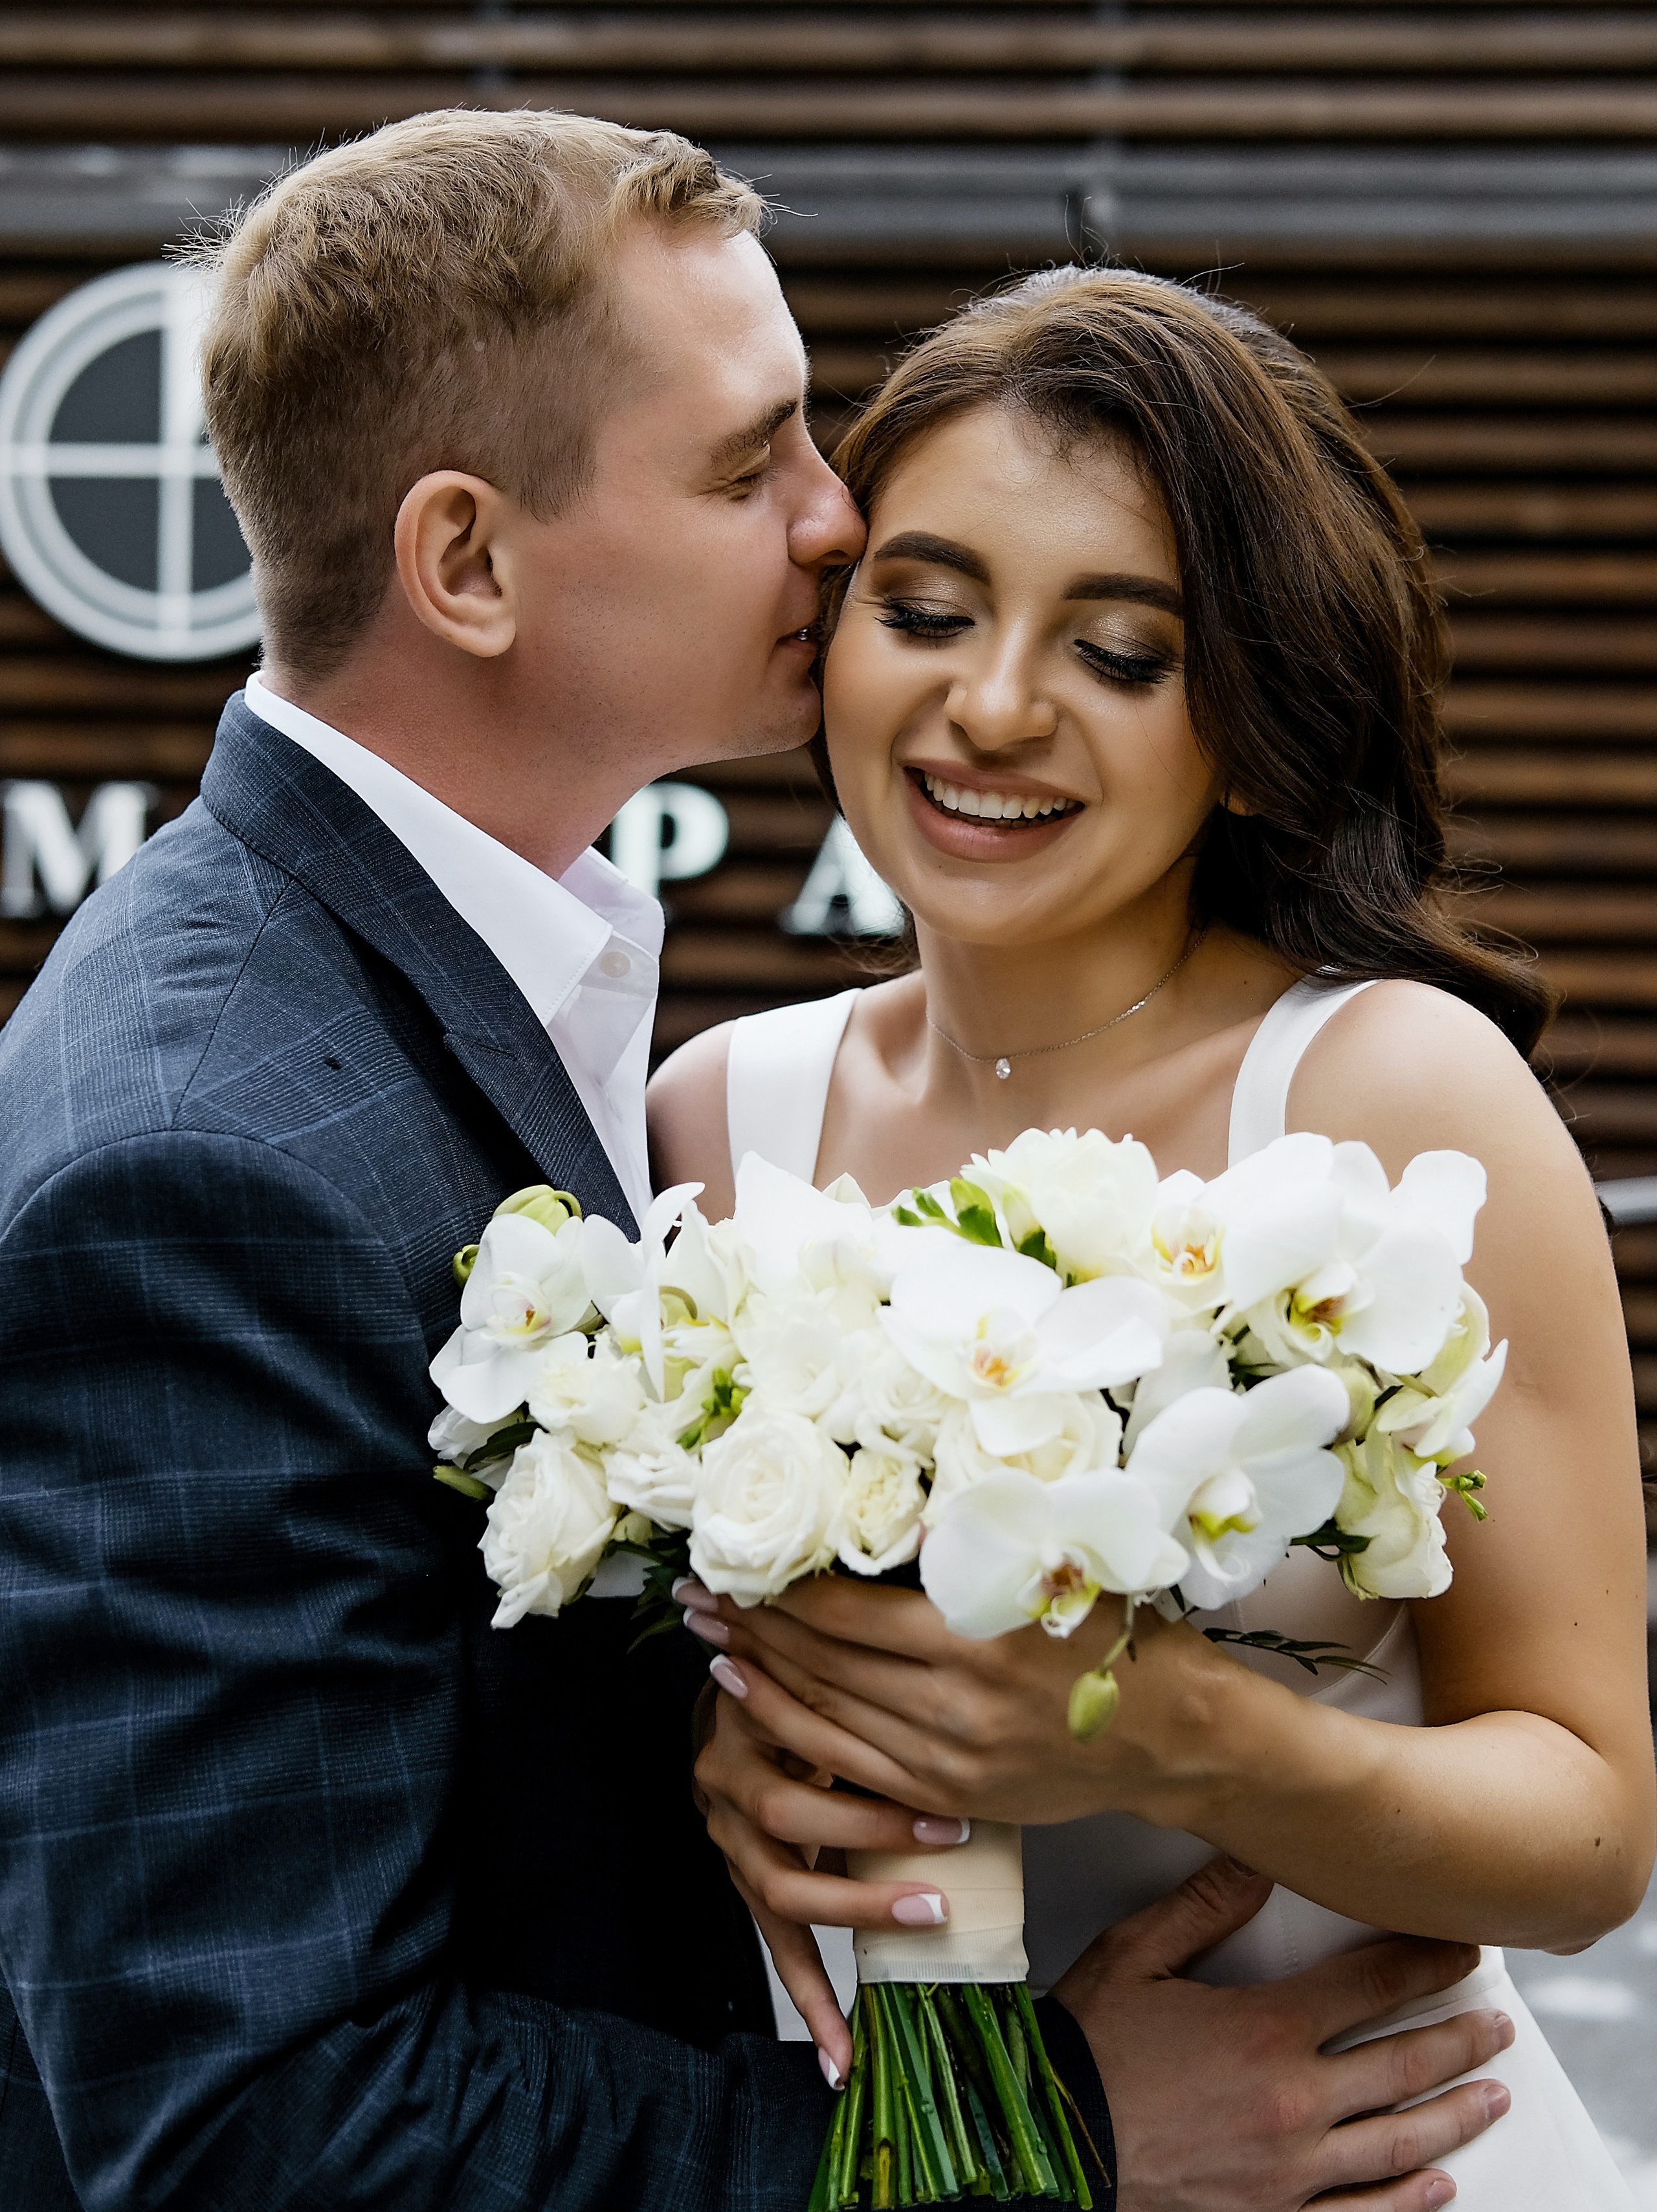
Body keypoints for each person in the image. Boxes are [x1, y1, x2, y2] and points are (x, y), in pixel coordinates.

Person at [0, 116, 1512, 2212]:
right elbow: (256, 2123)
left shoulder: (499, 981)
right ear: (466, 563)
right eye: (750, 465)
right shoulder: (201, 1159)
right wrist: (1037, 2152)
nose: (837, 523)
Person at [649, 267, 1657, 2209]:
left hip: (1378, 2167)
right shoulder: (714, 1121)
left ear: (1254, 722)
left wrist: (1184, 1732)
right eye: (926, 612)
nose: (995, 703)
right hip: (931, 2170)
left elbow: (1593, 1832)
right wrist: (735, 1764)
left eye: (1120, 653)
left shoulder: (1392, 1103)